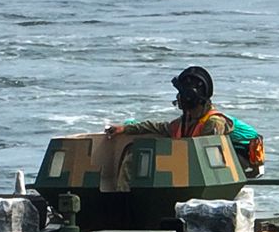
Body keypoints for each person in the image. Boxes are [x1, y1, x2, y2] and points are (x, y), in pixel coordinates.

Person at [105, 66, 264, 176]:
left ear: (190, 98)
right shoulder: (190, 119)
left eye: (181, 94)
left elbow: (207, 158)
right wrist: (125, 129)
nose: (178, 98)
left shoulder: (214, 123)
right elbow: (163, 127)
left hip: (240, 162)